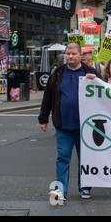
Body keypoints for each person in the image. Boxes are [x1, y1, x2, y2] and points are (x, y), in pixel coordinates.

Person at [38, 43, 98, 203]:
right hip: (63, 125)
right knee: (62, 158)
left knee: (85, 158)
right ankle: (60, 190)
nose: (70, 56)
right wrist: (43, 118)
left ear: (80, 55)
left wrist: (97, 81)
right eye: (68, 54)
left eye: (73, 54)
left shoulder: (91, 72)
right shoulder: (57, 73)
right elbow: (48, 97)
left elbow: (105, 93)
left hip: (85, 126)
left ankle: (85, 187)